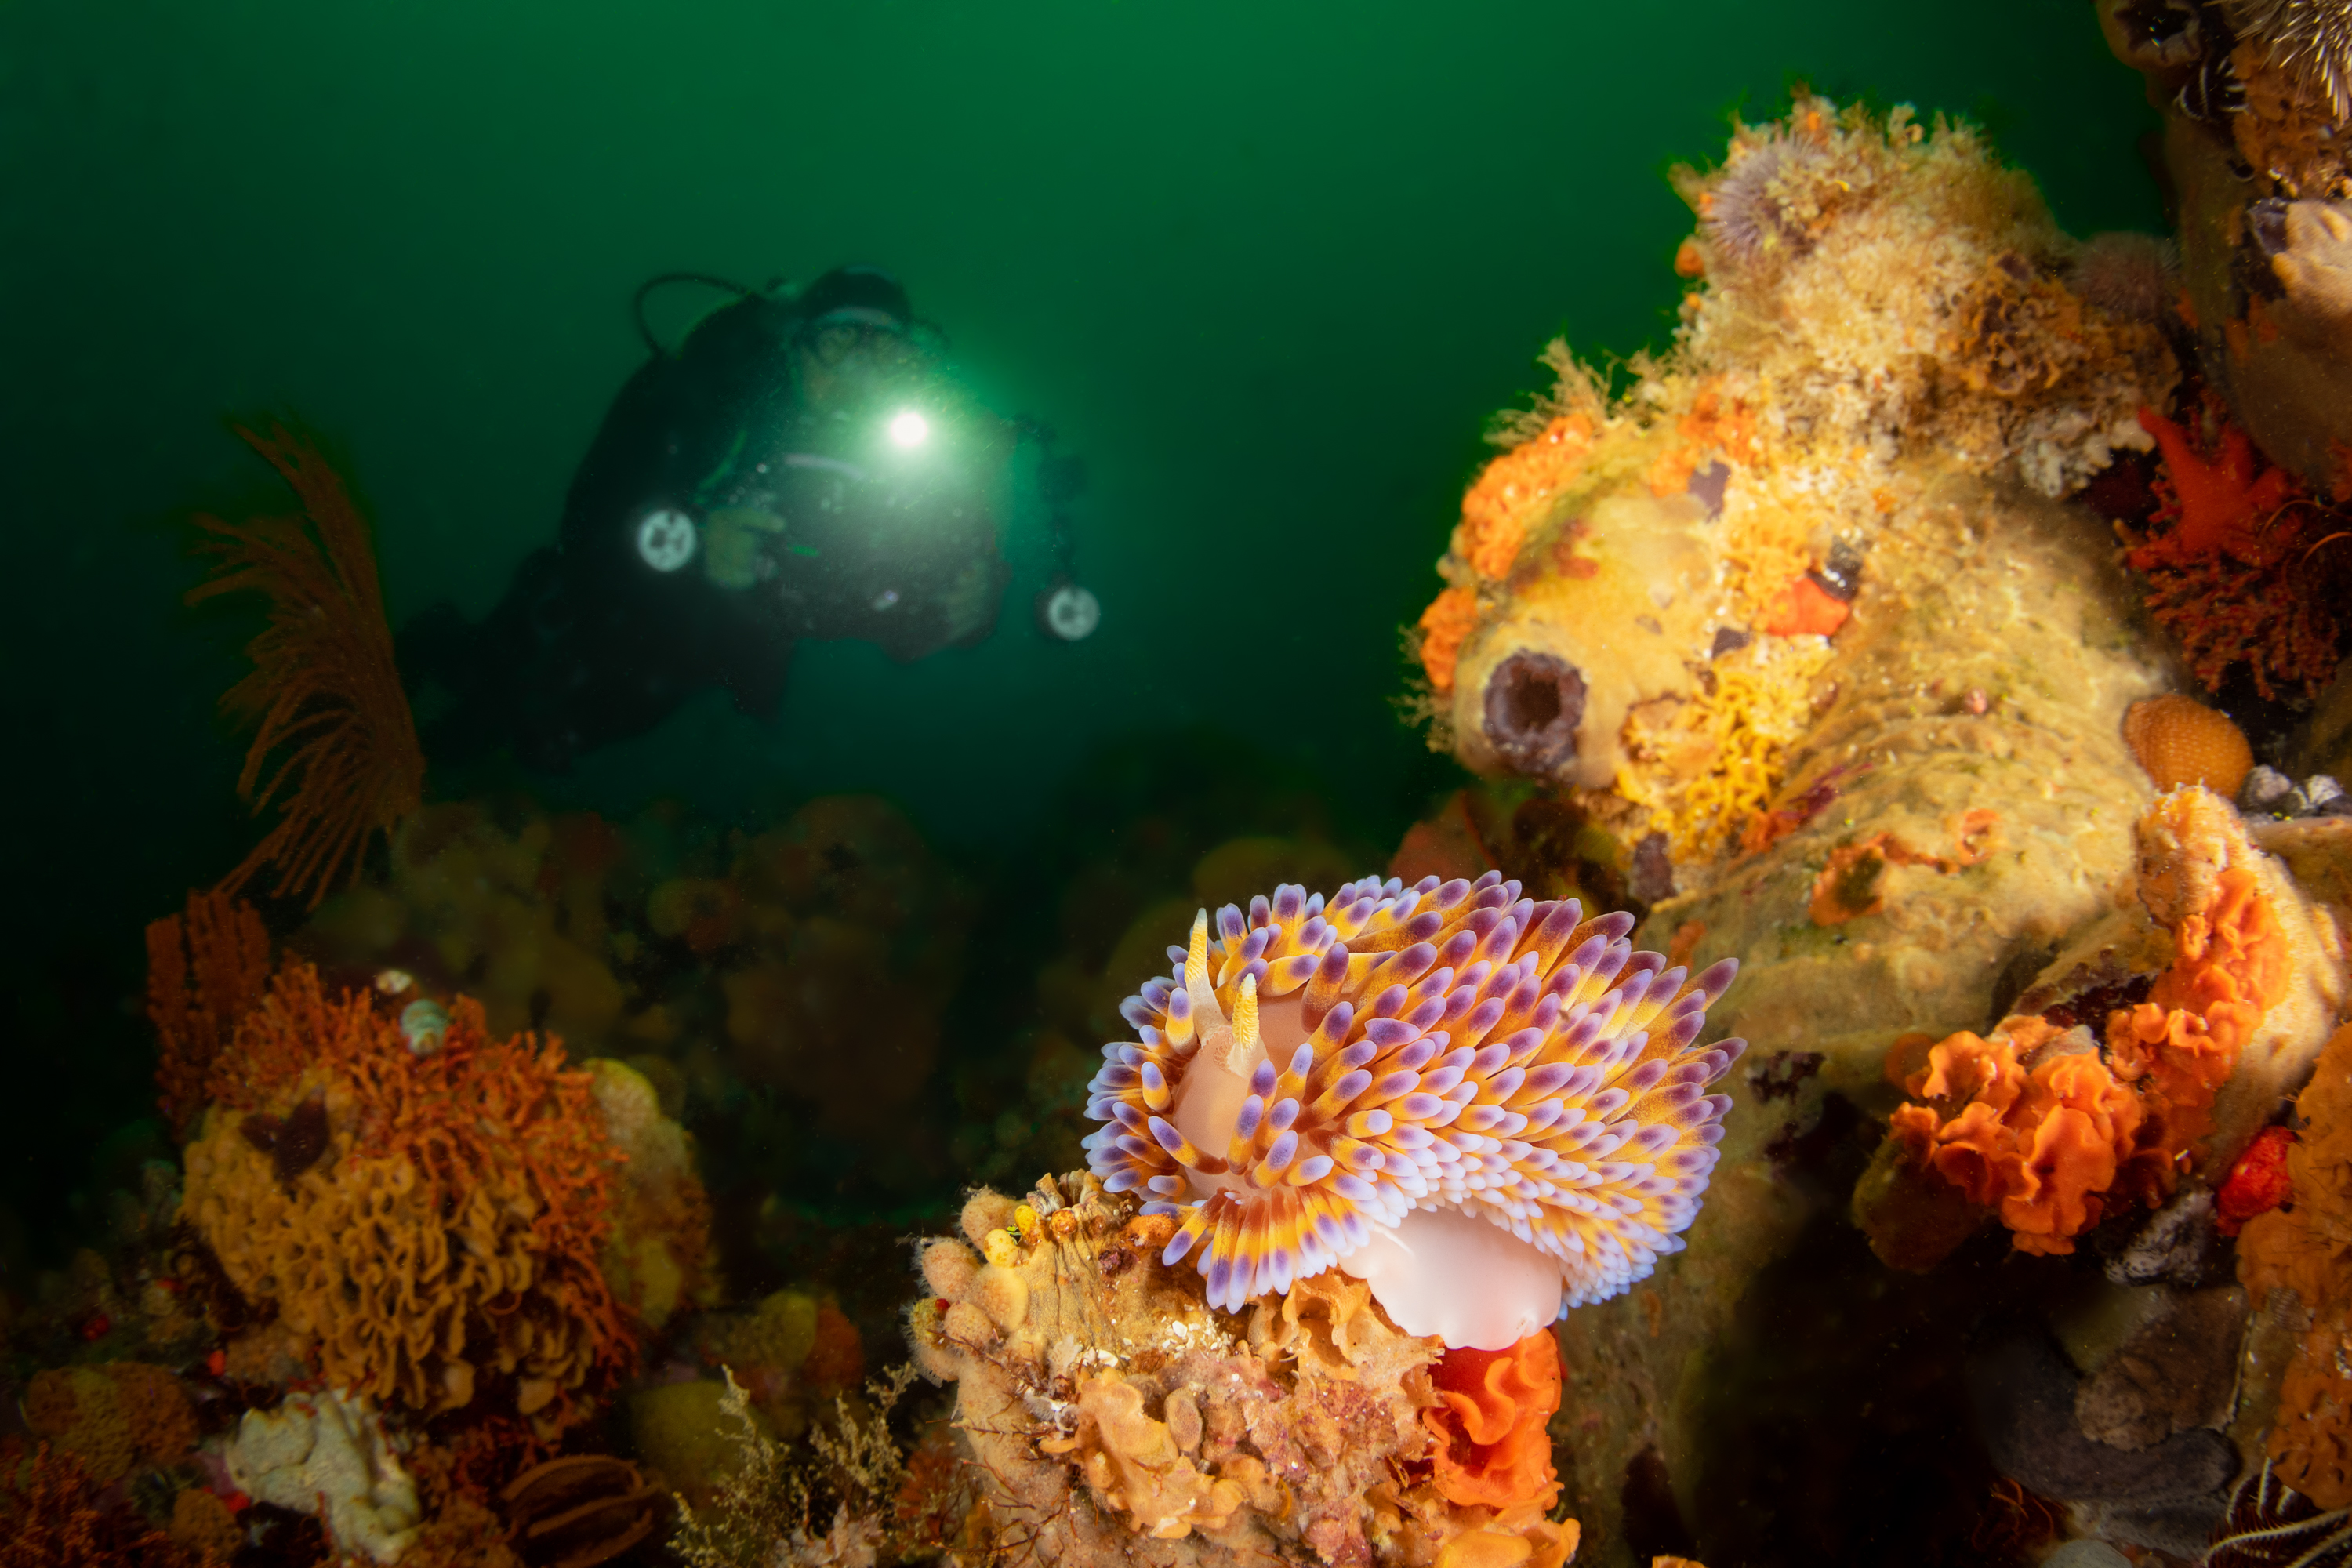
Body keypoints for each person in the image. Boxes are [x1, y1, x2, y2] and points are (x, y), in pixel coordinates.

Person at [405, 264, 1073, 772]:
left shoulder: (913, 466)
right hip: (585, 612)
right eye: (839, 342)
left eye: (887, 353)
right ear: (796, 351)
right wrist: (694, 542)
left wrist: (972, 610)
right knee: (496, 698)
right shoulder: (724, 410)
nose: (860, 371)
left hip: (700, 659)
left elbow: (899, 615)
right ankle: (433, 656)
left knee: (555, 742)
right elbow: (593, 524)